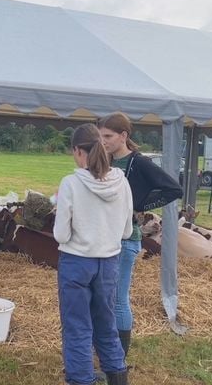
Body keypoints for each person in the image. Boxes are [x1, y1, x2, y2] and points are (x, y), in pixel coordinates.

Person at [53, 123, 134, 385]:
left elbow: (61, 235)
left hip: (76, 262)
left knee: (77, 328)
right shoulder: (121, 182)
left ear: (78, 151)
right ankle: (118, 377)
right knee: (106, 325)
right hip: (109, 262)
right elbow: (126, 230)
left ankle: (81, 379)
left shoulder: (70, 183)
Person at [97, 112, 182, 358]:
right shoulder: (106, 161)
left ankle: (119, 357)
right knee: (104, 296)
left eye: (108, 136)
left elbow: (173, 189)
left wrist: (140, 205)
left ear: (123, 136)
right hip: (105, 238)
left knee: (119, 298)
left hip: (126, 239)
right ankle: (107, 347)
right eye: (100, 136)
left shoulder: (139, 162)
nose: (103, 141)